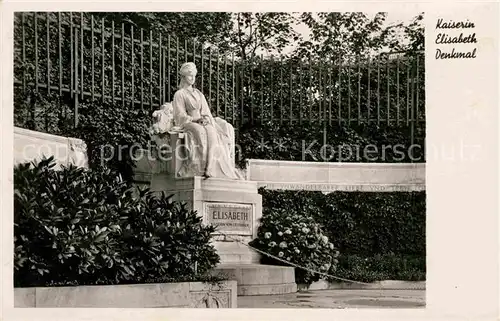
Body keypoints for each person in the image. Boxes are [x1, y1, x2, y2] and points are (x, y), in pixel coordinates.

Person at [172, 62, 243, 180]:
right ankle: (199, 168)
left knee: (212, 132)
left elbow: (206, 111)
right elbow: (179, 115)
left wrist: (205, 119)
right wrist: (195, 119)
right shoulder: (180, 94)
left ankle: (209, 167)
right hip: (189, 122)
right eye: (190, 75)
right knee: (200, 132)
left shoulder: (199, 94)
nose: (192, 78)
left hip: (202, 121)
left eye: (194, 75)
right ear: (183, 77)